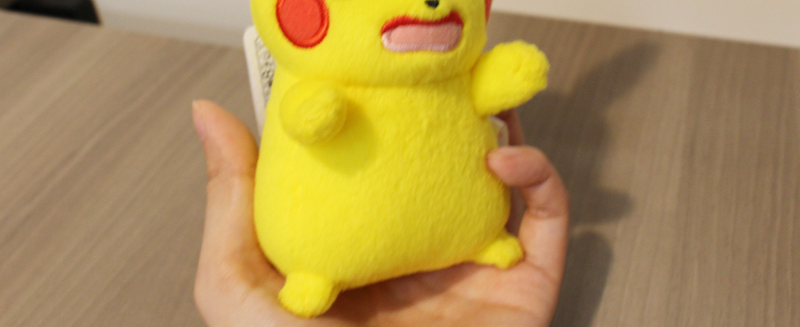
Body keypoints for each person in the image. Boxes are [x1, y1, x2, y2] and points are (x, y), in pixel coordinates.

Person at [191, 100, 569, 326]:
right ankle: (316, 276)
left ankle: (482, 241)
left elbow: (488, 89)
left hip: (470, 225)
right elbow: (299, 109)